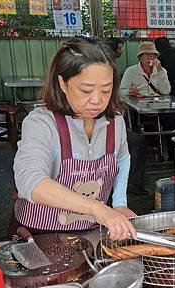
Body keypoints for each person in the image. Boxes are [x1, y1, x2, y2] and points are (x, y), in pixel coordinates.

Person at [12, 37, 137, 241]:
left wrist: (119, 203)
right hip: (40, 234)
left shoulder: (115, 122)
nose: (97, 100)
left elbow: (122, 158)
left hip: (90, 231)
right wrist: (97, 208)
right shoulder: (41, 123)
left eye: (106, 89)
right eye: (86, 90)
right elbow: (31, 182)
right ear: (62, 83)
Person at [101, 38, 148, 196]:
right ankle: (130, 184)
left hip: (108, 121)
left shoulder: (109, 69)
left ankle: (133, 184)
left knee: (135, 141)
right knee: (134, 141)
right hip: (99, 126)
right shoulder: (111, 68)